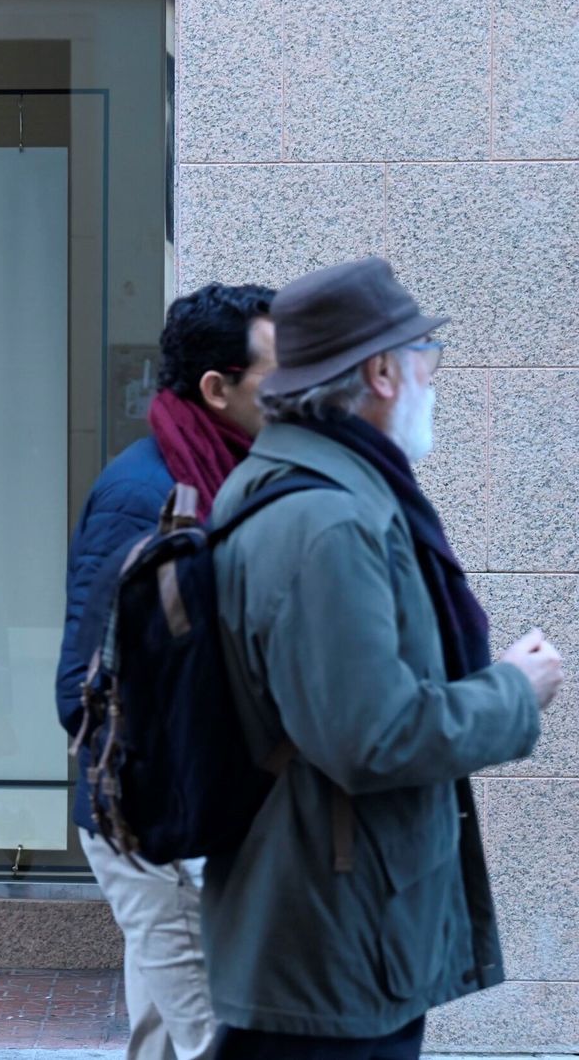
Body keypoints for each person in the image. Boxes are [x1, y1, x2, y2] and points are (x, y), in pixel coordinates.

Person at [205, 256, 562, 1059]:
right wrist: (514, 690)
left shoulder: (298, 486)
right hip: (334, 936)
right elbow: (371, 736)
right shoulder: (330, 522)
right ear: (380, 373)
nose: (433, 377)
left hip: (328, 922)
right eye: (424, 358)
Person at [54, 282, 277, 1060]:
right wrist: (177, 796)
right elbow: (79, 686)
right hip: (154, 820)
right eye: (273, 376)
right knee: (217, 1036)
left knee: (159, 1031)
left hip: (187, 813)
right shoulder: (144, 494)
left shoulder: (225, 475)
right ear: (216, 388)